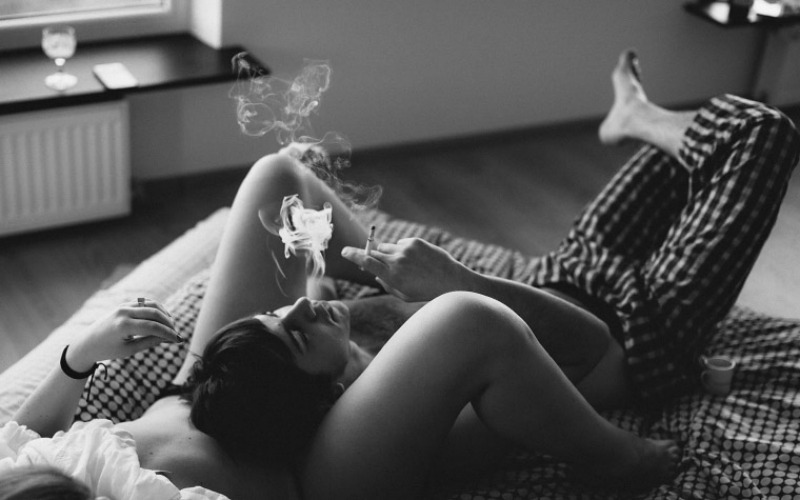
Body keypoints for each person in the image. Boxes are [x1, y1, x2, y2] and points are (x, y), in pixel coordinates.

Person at [6, 50, 798, 500]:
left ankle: (378, 269)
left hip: (215, 389)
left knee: (278, 178)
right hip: (304, 469)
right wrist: (451, 285)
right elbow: (574, 341)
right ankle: (620, 461)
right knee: (757, 133)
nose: (295, 309)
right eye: (299, 327)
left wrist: (79, 358)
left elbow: (24, 435)